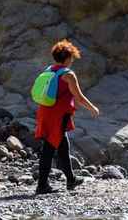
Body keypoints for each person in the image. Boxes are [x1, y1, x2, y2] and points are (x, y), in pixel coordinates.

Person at [34, 39, 99, 195]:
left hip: (45, 111)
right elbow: (79, 97)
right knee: (49, 149)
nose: (72, 60)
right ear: (68, 57)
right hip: (57, 115)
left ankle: (71, 179)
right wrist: (92, 108)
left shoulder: (49, 70)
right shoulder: (68, 75)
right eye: (72, 57)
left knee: (62, 146)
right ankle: (42, 185)